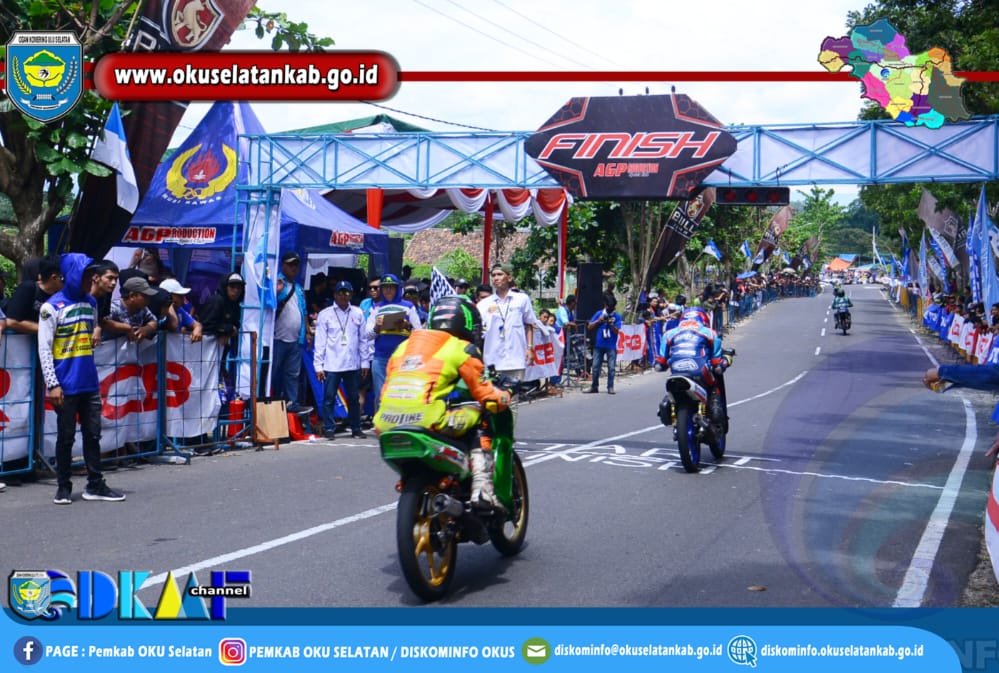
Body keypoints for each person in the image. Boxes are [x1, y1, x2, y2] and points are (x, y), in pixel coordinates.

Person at [374, 295, 512, 509]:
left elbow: (385, 392)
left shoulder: (403, 347)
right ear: (467, 324)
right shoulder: (462, 349)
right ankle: (482, 489)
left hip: (384, 424)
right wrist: (506, 394)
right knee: (482, 413)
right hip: (428, 420)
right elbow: (488, 397)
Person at [39, 253, 125, 504]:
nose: (93, 279)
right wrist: (53, 384)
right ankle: (63, 486)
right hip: (65, 384)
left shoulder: (91, 302)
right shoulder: (50, 308)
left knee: (93, 435)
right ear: (74, 275)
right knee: (66, 437)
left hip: (89, 382)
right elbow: (44, 348)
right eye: (88, 274)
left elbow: (92, 332)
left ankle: (95, 484)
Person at [314, 281, 369, 440]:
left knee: (353, 398)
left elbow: (363, 340)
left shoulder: (358, 313)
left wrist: (365, 362)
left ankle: (356, 428)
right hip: (332, 363)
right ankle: (329, 428)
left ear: (351, 295)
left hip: (352, 363)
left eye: (346, 293)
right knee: (329, 398)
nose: (343, 296)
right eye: (340, 293)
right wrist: (318, 365)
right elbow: (320, 341)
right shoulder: (325, 314)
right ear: (334, 295)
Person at [657, 306, 729, 417]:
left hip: (676, 371)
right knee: (714, 383)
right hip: (700, 371)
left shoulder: (669, 334)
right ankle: (716, 408)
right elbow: (716, 361)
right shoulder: (710, 333)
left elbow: (660, 362)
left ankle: (669, 405)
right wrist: (725, 361)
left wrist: (662, 364)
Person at [366, 273, 422, 410]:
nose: (388, 290)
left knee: (402, 393)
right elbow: (367, 336)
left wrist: (407, 326)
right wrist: (377, 327)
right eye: (385, 287)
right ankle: (380, 421)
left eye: (391, 287)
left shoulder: (408, 307)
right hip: (380, 357)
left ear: (397, 289)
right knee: (380, 395)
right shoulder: (375, 308)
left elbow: (419, 333)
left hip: (403, 358)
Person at [477, 263, 539, 380]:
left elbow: (529, 324)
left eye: (499, 274)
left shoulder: (521, 299)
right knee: (493, 392)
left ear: (509, 278)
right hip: (492, 361)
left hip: (516, 359)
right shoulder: (483, 304)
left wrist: (530, 348)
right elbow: (479, 330)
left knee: (515, 391)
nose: (496, 278)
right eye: (493, 275)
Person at [273, 252, 311, 412]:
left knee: (293, 374)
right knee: (271, 372)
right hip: (277, 338)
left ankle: (292, 403)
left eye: (296, 265)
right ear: (283, 265)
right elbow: (267, 305)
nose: (294, 268)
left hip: (296, 339)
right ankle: (266, 402)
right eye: (290, 264)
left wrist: (307, 331)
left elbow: (304, 311)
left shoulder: (299, 288)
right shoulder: (275, 282)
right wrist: (276, 292)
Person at [5, 255, 63, 335]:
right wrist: (48, 329)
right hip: (23, 340)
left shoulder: (61, 295)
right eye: (63, 278)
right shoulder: (29, 288)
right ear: (54, 278)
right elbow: (11, 321)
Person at [583, 296, 622, 394]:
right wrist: (598, 320)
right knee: (595, 366)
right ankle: (594, 386)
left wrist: (611, 324)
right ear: (605, 305)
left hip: (611, 345)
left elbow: (617, 331)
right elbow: (589, 326)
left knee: (611, 367)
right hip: (599, 344)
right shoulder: (599, 313)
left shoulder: (617, 316)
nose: (611, 310)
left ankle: (610, 386)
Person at [103, 276, 159, 342]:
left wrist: (146, 329)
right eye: (145, 296)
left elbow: (154, 321)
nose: (148, 299)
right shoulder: (114, 307)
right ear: (132, 296)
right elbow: (103, 322)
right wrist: (126, 328)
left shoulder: (143, 309)